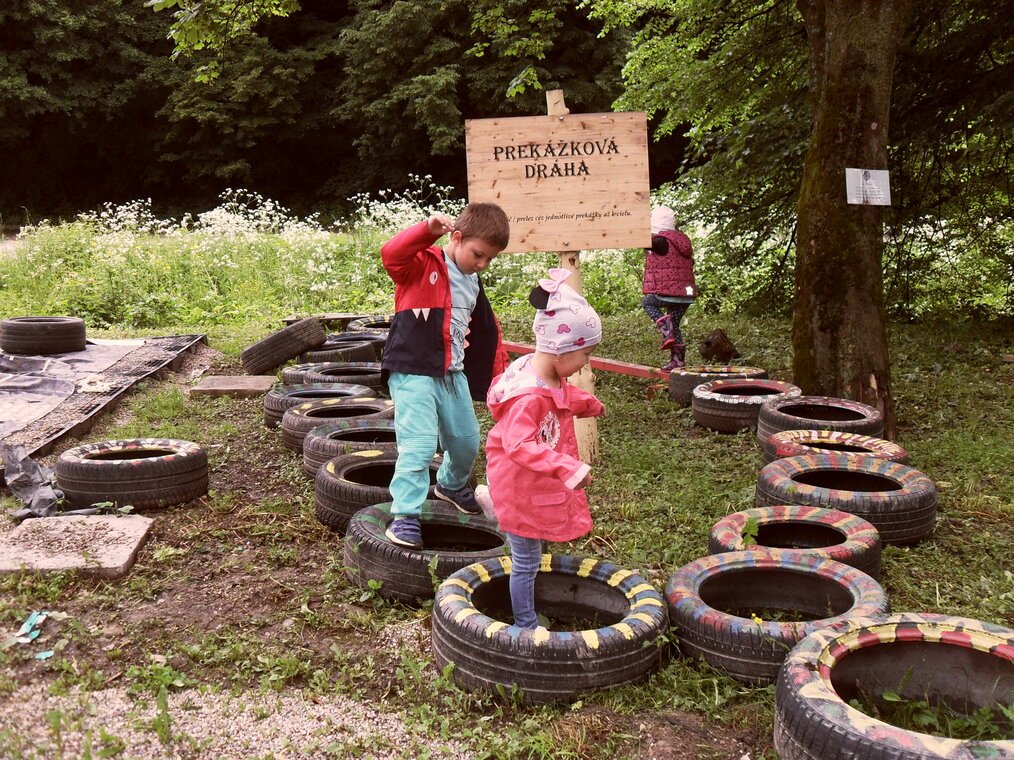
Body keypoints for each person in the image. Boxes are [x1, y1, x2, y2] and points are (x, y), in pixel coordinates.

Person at [381, 202, 511, 549]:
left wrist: (500, 375)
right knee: (420, 444)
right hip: (413, 369)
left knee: (467, 441)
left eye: (490, 259)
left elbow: (486, 332)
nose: (482, 264)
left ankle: (450, 485)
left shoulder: (473, 282)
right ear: (456, 237)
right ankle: (405, 516)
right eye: (478, 254)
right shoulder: (423, 263)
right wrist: (426, 230)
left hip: (452, 374)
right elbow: (391, 254)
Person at [484, 268, 606, 630]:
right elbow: (520, 443)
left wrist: (585, 402)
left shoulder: (543, 370)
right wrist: (568, 467)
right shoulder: (528, 397)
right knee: (526, 561)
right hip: (519, 485)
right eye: (585, 354)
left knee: (533, 547)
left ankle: (495, 504)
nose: (586, 362)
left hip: (529, 481)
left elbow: (559, 397)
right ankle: (525, 623)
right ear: (561, 351)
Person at [642, 205, 696, 370]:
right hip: (686, 295)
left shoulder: (660, 242)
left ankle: (665, 327)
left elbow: (640, 240)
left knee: (647, 302)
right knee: (674, 324)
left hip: (668, 292)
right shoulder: (682, 242)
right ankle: (678, 361)